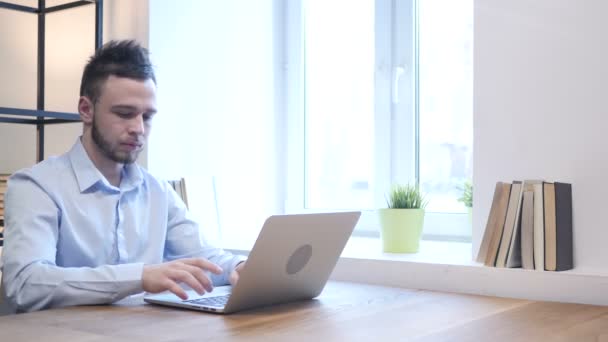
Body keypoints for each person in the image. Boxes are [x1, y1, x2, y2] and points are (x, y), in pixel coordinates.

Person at [0, 40, 246, 313]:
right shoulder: (36, 186)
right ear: (86, 110)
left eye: (148, 117)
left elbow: (204, 258)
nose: (139, 129)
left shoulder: (157, 191)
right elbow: (24, 284)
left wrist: (239, 267)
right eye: (125, 114)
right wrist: (139, 277)